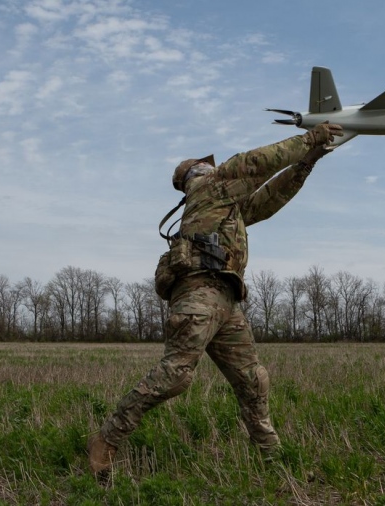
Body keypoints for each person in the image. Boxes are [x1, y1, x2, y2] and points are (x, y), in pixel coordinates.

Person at [87, 123, 344, 478]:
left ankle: (272, 459)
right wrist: (309, 139)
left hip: (225, 298)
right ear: (196, 174)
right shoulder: (211, 187)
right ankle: (106, 439)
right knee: (175, 375)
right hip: (199, 293)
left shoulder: (226, 205)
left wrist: (307, 161)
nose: (215, 166)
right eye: (208, 165)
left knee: (252, 380)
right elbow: (255, 163)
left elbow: (270, 197)